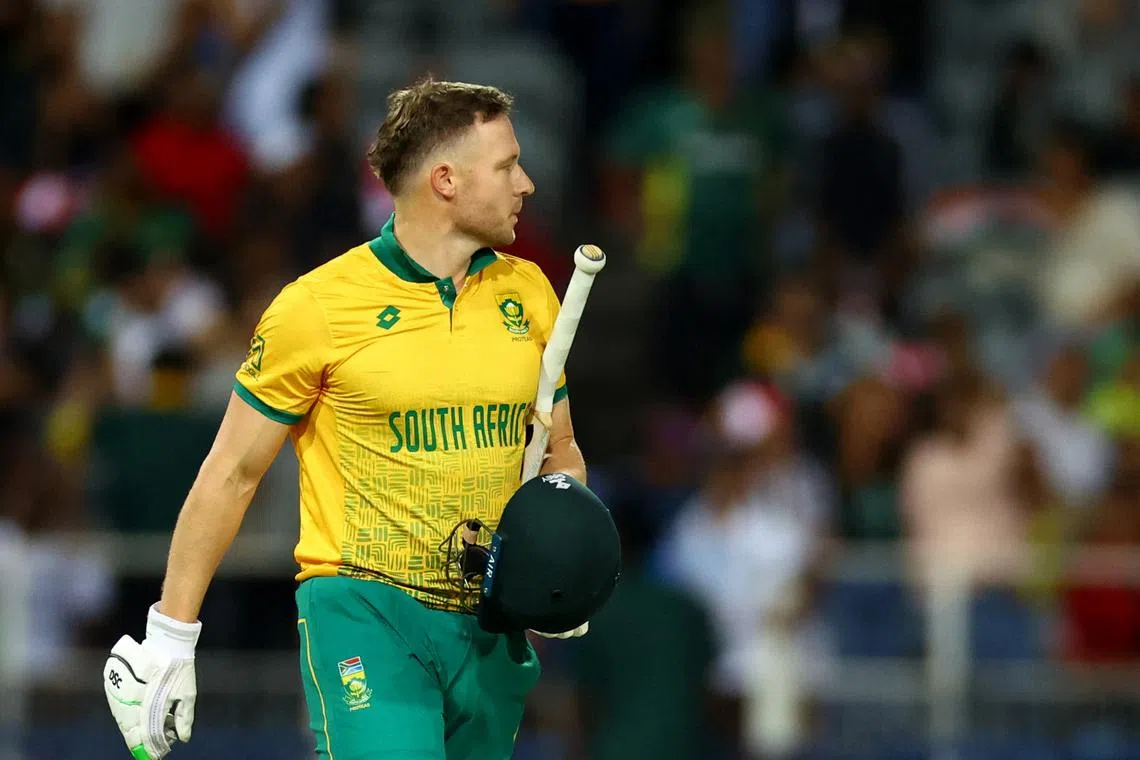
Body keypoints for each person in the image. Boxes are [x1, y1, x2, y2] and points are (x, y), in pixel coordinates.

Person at [101, 77, 590, 760]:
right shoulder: (318, 307)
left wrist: (561, 553)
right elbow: (233, 471)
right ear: (445, 180)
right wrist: (171, 636)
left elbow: (560, 449)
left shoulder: (529, 291)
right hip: (365, 612)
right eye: (507, 165)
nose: (527, 183)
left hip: (489, 622)